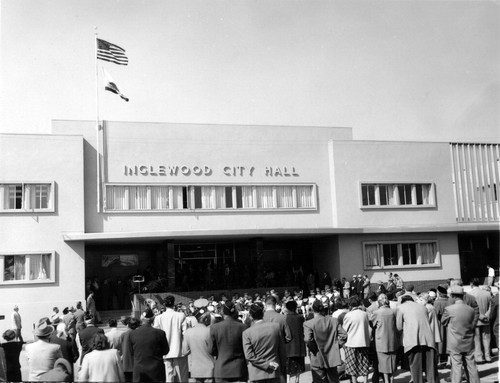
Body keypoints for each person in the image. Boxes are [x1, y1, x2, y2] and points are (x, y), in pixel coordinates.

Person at [441, 285, 480, 383]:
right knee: (472, 365)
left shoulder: (449, 309)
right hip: (468, 341)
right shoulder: (471, 309)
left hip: (455, 342)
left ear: (453, 296)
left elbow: (443, 322)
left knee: (457, 366)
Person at [396, 295, 438, 383]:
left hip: (413, 340)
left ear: (402, 301)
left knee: (416, 366)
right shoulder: (423, 307)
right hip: (428, 339)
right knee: (430, 367)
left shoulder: (400, 307)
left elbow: (399, 327)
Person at [303, 300, 346, 383]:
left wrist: (314, 349)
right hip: (332, 356)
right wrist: (336, 346)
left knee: (319, 380)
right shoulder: (333, 321)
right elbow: (344, 335)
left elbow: (307, 339)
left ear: (312, 310)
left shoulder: (308, 323)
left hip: (317, 356)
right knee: (333, 380)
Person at [243, 303, 284, 383]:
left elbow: (249, 356)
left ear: (251, 316)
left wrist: (266, 364)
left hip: (256, 373)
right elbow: (282, 350)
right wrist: (281, 367)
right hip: (274, 370)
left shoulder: (247, 333)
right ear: (263, 314)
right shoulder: (276, 327)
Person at [210, 300, 248, 382]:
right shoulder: (243, 327)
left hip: (221, 370)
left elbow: (212, 350)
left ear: (223, 313)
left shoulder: (215, 328)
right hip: (239, 369)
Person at [153, 294, 189, 382]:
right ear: (174, 304)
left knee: (168, 377)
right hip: (179, 350)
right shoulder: (181, 315)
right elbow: (185, 333)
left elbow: (156, 335)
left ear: (164, 305)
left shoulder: (158, 318)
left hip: (164, 351)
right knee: (182, 378)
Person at [129, 308, 169, 382]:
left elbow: (131, 352)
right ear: (153, 319)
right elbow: (165, 351)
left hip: (139, 371)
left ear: (141, 319)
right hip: (156, 370)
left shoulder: (132, 334)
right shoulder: (160, 333)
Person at [371, 294, 399, 383]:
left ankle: (387, 381)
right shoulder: (393, 311)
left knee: (383, 364)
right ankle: (391, 380)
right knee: (392, 362)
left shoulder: (377, 313)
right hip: (393, 341)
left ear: (379, 302)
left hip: (381, 341)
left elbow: (372, 325)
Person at [342, 296, 370, 383]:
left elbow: (344, 330)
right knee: (364, 363)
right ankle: (365, 381)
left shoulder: (348, 315)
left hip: (351, 342)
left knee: (352, 364)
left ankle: (354, 381)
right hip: (363, 341)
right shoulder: (365, 314)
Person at [182, 308, 215, 383]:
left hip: (195, 369)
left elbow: (184, 351)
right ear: (206, 319)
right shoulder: (210, 331)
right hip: (209, 368)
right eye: (209, 317)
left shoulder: (188, 332)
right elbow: (212, 350)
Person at [467, 277, 492, 363]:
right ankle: (488, 356)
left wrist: (480, 316)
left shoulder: (469, 294)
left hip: (476, 319)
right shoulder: (487, 293)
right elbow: (490, 306)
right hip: (486, 319)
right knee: (487, 339)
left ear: (471, 284)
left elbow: (470, 308)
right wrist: (486, 315)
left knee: (476, 339)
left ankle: (479, 357)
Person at [284, 300, 306, 383]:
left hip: (288, 345)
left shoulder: (284, 318)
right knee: (299, 365)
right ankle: (297, 380)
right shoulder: (300, 317)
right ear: (296, 307)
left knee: (288, 366)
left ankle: (288, 380)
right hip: (299, 344)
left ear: (286, 308)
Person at [118, 317, 140, 382]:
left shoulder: (123, 335)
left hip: (126, 364)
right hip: (136, 364)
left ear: (127, 325)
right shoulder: (138, 334)